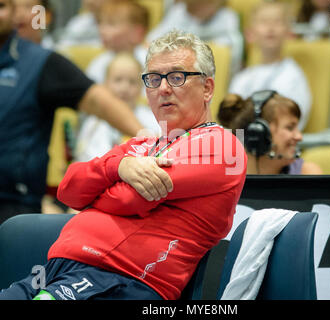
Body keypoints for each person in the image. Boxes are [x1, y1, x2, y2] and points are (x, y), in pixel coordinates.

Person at [0, 30, 247, 300]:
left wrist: (97, 195)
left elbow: (131, 198)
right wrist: (119, 167)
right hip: (59, 268)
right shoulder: (142, 145)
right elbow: (69, 188)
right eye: (154, 79)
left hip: (120, 279)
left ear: (207, 88)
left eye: (177, 77)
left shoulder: (222, 145)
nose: (163, 88)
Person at [0, 0, 145, 223]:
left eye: (1, 6)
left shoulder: (40, 61)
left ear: (13, 13)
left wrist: (144, 134)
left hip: (12, 204)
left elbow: (98, 101)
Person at [229, 1, 311, 130]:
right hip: (243, 145)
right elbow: (232, 121)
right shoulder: (242, 79)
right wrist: (240, 147)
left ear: (289, 32)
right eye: (263, 22)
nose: (270, 28)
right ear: (250, 34)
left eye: (277, 22)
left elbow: (293, 122)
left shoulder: (293, 76)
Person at [75, 52, 161, 162]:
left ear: (141, 87)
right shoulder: (94, 123)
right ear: (105, 84)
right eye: (118, 80)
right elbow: (86, 158)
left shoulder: (152, 118)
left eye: (132, 82)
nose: (124, 88)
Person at [218, 90, 323, 175]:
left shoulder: (308, 174)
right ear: (258, 134)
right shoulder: (220, 180)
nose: (299, 137)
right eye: (290, 128)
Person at [146, 0, 244, 75]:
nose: (189, 10)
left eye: (195, 7)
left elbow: (231, 52)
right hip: (172, 66)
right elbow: (151, 40)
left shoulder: (227, 18)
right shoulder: (180, 11)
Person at [86, 0, 149, 84]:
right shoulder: (99, 63)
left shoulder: (149, 62)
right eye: (100, 23)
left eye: (111, 24)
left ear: (136, 33)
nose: (102, 30)